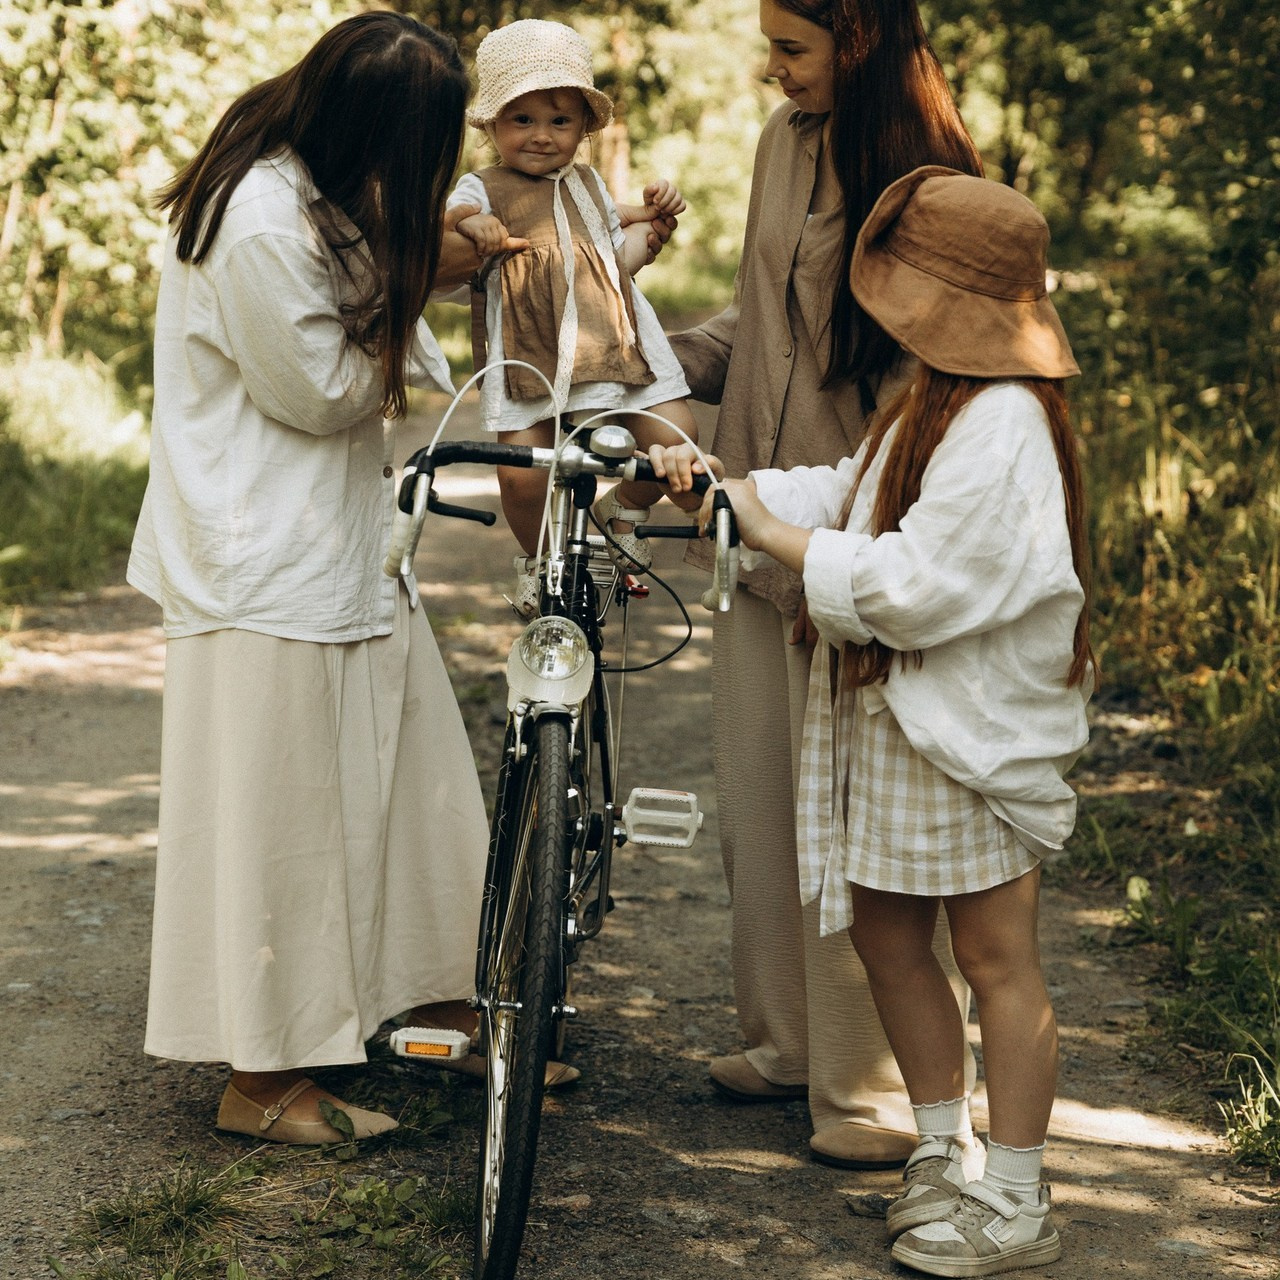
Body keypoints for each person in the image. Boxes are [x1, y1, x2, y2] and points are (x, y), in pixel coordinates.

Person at [654, 166, 1092, 1276]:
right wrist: (732, 488)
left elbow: (915, 585)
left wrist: (778, 537)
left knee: (996, 956)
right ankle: (942, 1151)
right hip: (894, 721)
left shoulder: (1002, 423)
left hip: (968, 734)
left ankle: (1018, 1194)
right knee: (889, 938)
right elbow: (845, 490)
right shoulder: (926, 398)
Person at [127, 12, 501, 1145]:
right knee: (276, 815)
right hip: (262, 558)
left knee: (413, 778)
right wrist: (423, 275)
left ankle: (433, 1000)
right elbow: (319, 392)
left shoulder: (311, 182)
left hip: (332, 545)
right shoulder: (254, 220)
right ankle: (263, 1074)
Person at [663, 0, 986, 1170]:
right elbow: (761, 320)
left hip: (855, 535)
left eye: (790, 47)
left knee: (853, 817)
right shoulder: (775, 140)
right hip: (759, 514)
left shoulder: (924, 175)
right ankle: (787, 1042)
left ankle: (874, 1086)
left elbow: (932, 372)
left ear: (856, 40)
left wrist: (854, 542)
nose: (769, 66)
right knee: (759, 795)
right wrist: (651, 356)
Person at [448, 18, 698, 616]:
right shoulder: (482, 187)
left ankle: (624, 508)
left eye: (560, 120)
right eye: (523, 119)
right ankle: (539, 560)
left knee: (678, 447)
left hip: (613, 341)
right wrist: (469, 225)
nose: (541, 136)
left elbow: (615, 248)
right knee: (522, 475)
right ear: (492, 125)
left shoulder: (587, 184)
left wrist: (655, 214)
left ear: (585, 126)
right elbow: (451, 216)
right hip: (530, 356)